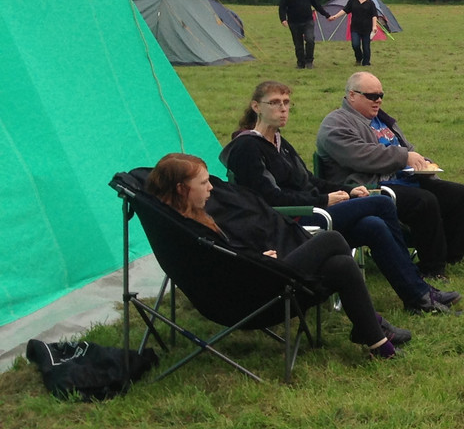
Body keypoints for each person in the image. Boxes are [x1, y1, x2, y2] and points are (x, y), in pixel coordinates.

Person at [220, 81, 459, 314]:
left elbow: (310, 181)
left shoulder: (280, 143)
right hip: (289, 220)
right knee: (382, 202)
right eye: (274, 103)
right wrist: (324, 201)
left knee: (373, 225)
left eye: (286, 102)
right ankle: (419, 291)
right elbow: (270, 198)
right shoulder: (247, 147)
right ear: (256, 107)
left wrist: (347, 190)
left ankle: (416, 296)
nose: (283, 109)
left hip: (310, 211)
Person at [147, 153, 405, 359]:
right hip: (252, 297)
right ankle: (373, 327)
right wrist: (258, 261)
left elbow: (226, 258)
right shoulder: (187, 229)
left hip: (255, 275)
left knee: (341, 264)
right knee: (331, 239)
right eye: (203, 183)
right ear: (182, 189)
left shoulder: (186, 219)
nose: (211, 188)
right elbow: (221, 270)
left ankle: (375, 340)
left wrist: (255, 257)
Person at [316, 72, 464, 278]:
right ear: (352, 95)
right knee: (423, 201)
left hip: (403, 178)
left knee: (460, 194)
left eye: (381, 95)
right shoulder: (335, 124)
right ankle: (432, 268)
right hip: (369, 186)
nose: (378, 100)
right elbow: (361, 157)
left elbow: (405, 148)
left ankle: (454, 257)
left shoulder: (382, 119)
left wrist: (422, 163)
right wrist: (404, 157)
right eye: (372, 96)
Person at [278, 0, 333, 69]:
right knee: (298, 43)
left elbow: (317, 5)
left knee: (310, 40)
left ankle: (309, 61)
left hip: (308, 21)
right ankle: (300, 63)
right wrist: (283, 19)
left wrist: (326, 15)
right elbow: (282, 7)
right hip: (294, 22)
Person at [341, 0, 382, 66]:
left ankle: (366, 63)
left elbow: (374, 15)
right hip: (355, 28)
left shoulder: (370, 3)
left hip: (367, 28)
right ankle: (359, 58)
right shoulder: (353, 1)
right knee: (355, 45)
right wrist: (335, 16)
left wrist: (374, 26)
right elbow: (345, 10)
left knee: (366, 47)